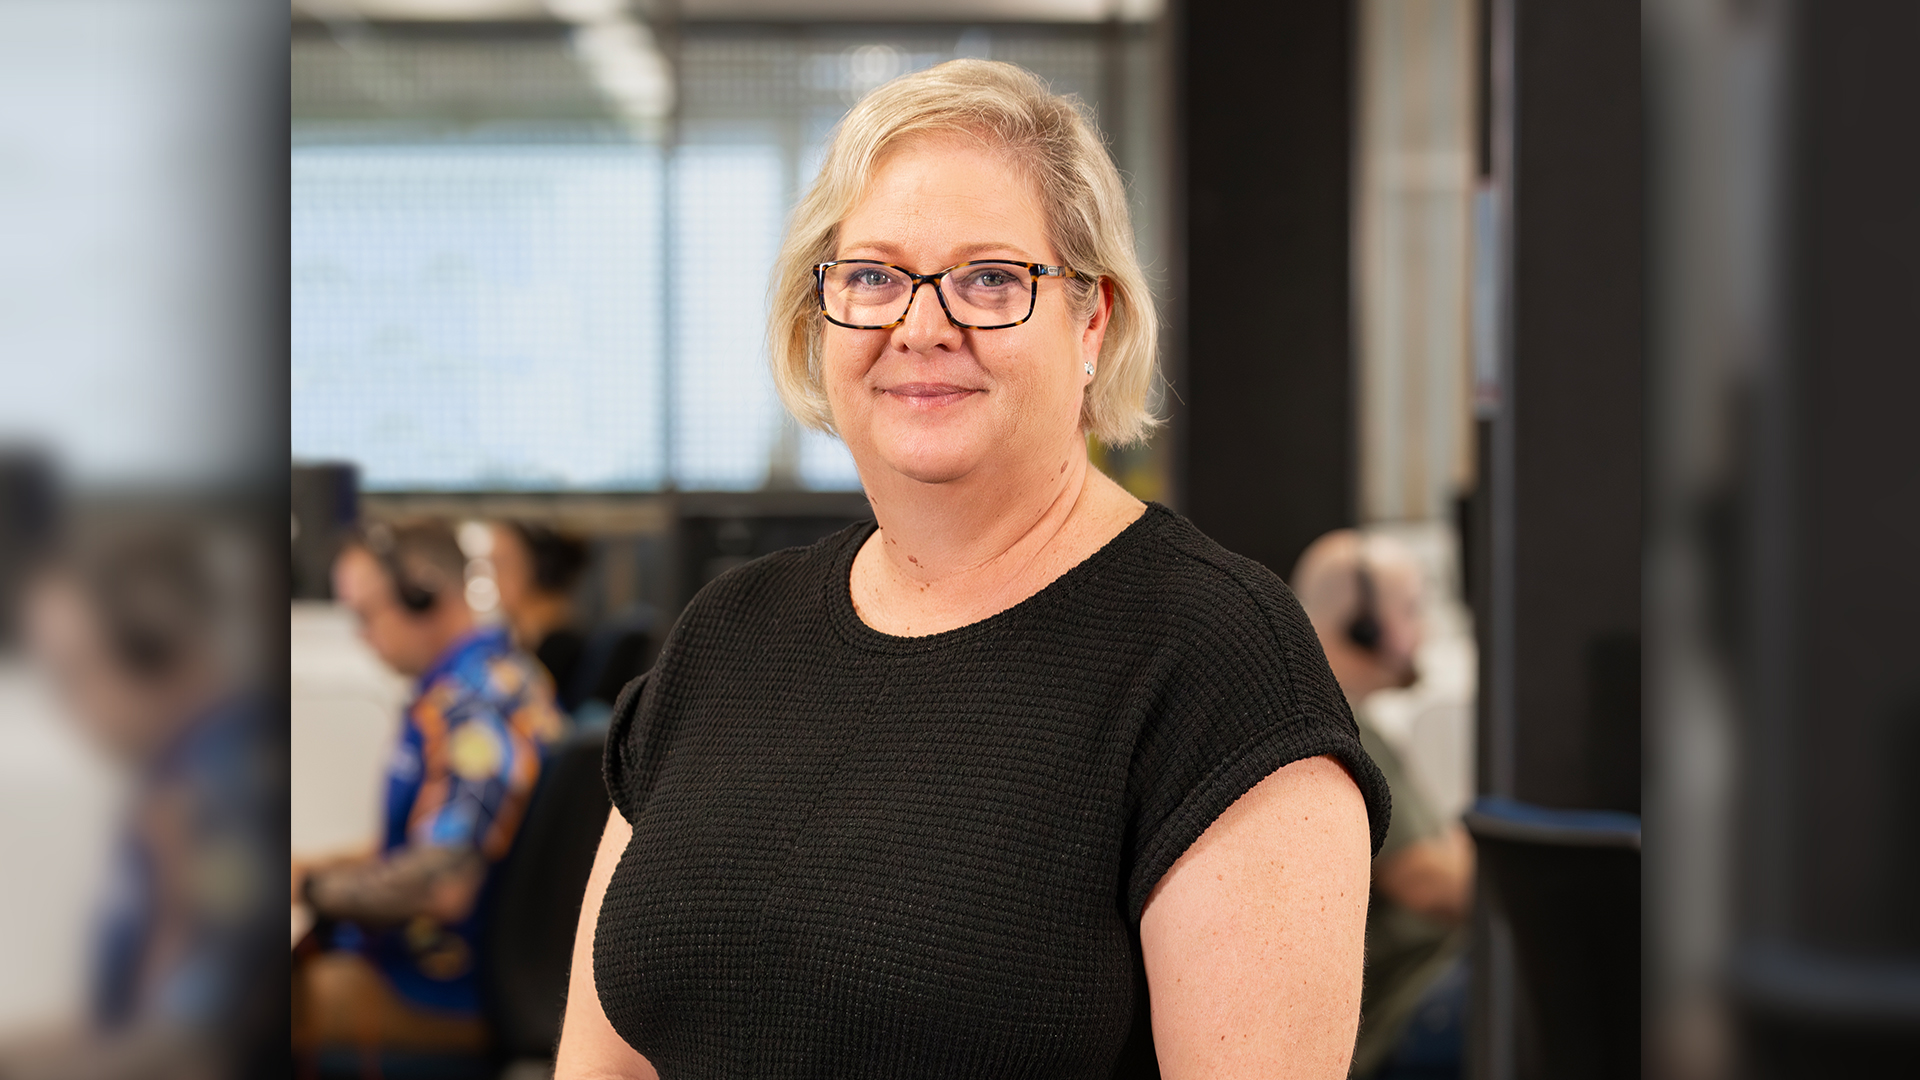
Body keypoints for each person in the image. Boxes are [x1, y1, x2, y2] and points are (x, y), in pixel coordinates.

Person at [556, 59, 1392, 1080]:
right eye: (872, 277)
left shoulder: (1216, 661)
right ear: (820, 315)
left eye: (990, 278)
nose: (921, 327)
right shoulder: (727, 634)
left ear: (1092, 320)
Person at [3, 525, 282, 1080]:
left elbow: (200, 1040)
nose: (68, 706)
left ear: (157, 649)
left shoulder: (230, 785)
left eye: (75, 672)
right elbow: (130, 1014)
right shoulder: (173, 774)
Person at [293, 519, 566, 1060]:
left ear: (423, 595)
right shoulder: (496, 676)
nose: (362, 637)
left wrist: (312, 891)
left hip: (437, 989)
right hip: (456, 971)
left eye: (366, 615)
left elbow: (444, 882)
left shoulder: (471, 709)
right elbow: (430, 842)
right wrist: (315, 868)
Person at [1291, 530, 1474, 1080]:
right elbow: (1429, 884)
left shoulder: (1343, 718)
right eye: (1412, 610)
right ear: (1363, 625)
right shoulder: (1334, 732)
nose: (1426, 630)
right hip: (1399, 1009)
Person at [488, 520, 592, 711]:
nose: (492, 576)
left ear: (541, 568)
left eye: (502, 563)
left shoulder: (560, 657)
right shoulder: (518, 646)